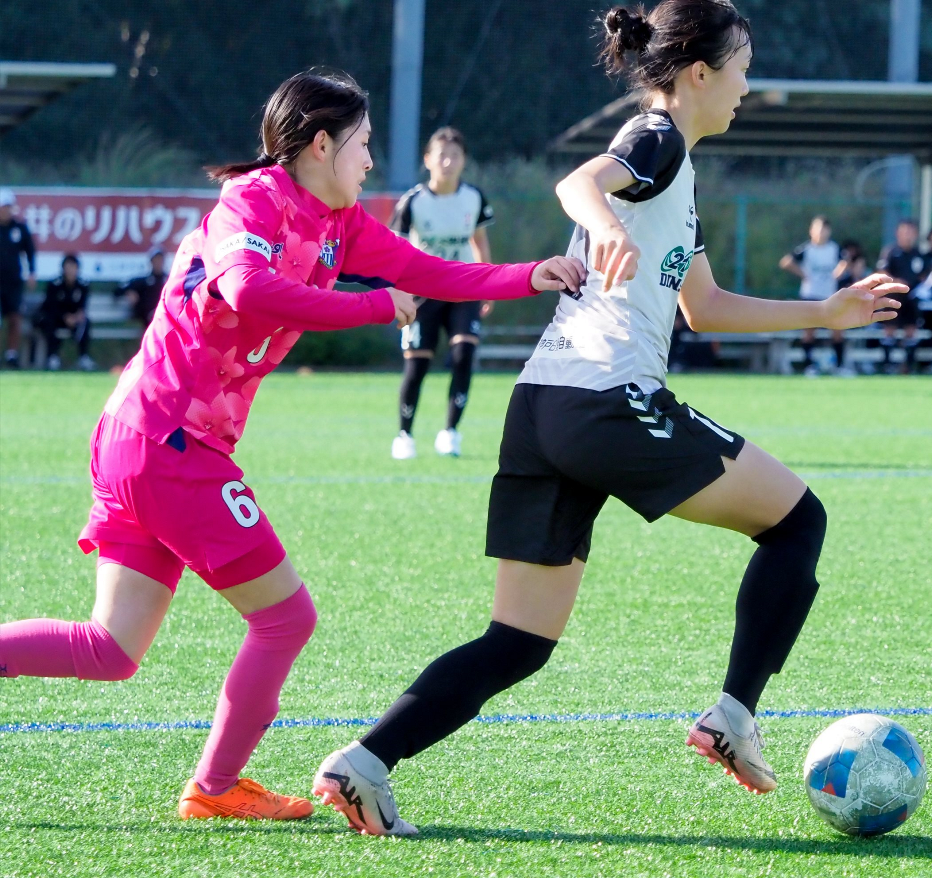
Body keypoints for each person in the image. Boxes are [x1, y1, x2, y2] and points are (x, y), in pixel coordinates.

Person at [312, 0, 906, 837]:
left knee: (518, 640)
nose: (748, 87)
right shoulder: (657, 139)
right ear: (699, 73)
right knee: (797, 520)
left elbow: (704, 306)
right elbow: (579, 181)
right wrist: (599, 221)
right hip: (606, 401)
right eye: (742, 70)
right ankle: (733, 716)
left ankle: (362, 763)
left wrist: (826, 312)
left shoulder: (678, 171)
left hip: (542, 406)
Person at [0, 71, 583, 823]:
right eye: (364, 145)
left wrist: (528, 276)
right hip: (168, 441)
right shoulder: (251, 202)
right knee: (286, 618)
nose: (371, 162)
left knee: (111, 649)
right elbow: (244, 288)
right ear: (319, 144)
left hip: (142, 436)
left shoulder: (340, 222)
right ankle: (214, 789)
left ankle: (214, 787)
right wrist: (371, 306)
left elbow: (432, 272)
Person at [388, 126, 495, 459]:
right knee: (417, 365)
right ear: (428, 160)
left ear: (464, 161)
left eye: (455, 155)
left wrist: (488, 283)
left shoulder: (474, 197)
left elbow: (479, 240)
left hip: (464, 287)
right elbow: (395, 252)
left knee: (464, 355)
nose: (448, 161)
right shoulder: (413, 202)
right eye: (441, 155)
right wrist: (398, 293)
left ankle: (451, 432)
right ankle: (404, 436)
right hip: (423, 292)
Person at [779, 215, 851, 376]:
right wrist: (803, 274)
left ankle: (839, 366)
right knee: (809, 331)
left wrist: (837, 274)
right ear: (811, 231)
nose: (821, 233)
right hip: (810, 294)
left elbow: (845, 261)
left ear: (829, 231)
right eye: (818, 229)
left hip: (830, 296)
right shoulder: (807, 249)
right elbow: (786, 261)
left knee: (838, 329)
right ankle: (809, 367)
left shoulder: (834, 248)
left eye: (824, 229)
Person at [876, 219, 924, 373]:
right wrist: (897, 283)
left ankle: (908, 367)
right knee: (890, 330)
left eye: (911, 232)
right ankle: (887, 365)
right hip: (894, 297)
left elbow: (924, 275)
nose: (908, 235)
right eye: (905, 231)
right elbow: (882, 272)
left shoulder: (918, 254)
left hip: (911, 298)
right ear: (898, 233)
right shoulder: (891, 252)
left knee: (911, 330)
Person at [36, 253, 94, 371]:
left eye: (73, 267)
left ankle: (83, 357)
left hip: (74, 320)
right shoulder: (54, 284)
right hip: (57, 318)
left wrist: (76, 317)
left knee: (85, 323)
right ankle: (52, 356)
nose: (70, 271)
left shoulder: (83, 285)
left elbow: (83, 306)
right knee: (48, 322)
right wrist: (64, 317)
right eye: (68, 267)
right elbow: (49, 306)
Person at [0, 188, 37, 368]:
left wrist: (32, 272)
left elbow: (29, 251)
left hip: (13, 282)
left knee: (15, 317)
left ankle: (12, 355)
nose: (4, 210)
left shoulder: (19, 228)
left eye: (7, 207)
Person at [116, 247, 168, 331]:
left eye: (160, 259)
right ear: (151, 262)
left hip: (166, 317)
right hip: (148, 319)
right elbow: (120, 289)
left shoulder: (169, 279)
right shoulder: (144, 281)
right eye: (156, 260)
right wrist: (130, 292)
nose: (158, 262)